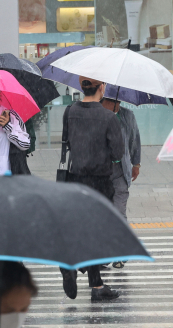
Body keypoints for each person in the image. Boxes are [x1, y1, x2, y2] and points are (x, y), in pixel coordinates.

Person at [60, 77, 125, 301]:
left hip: (76, 179)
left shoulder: (69, 112)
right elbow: (118, 154)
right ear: (102, 88)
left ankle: (96, 285)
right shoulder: (109, 117)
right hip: (99, 182)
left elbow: (68, 142)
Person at [101, 97, 141, 269]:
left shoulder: (127, 116)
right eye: (110, 102)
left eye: (115, 102)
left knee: (118, 212)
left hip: (120, 172)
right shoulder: (97, 116)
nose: (114, 105)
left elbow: (134, 140)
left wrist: (136, 163)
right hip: (100, 173)